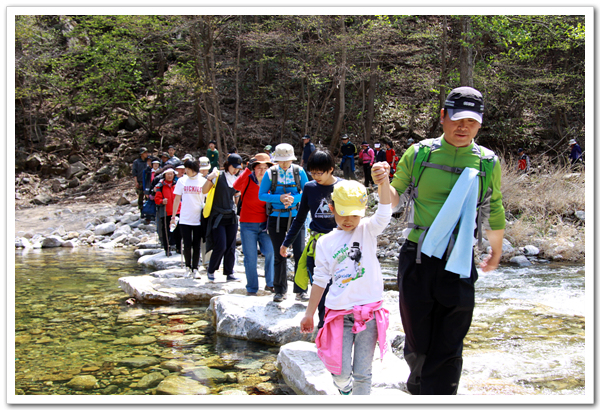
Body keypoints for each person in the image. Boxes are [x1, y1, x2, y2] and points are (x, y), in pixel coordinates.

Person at [373, 86, 505, 395]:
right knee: (418, 337)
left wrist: (495, 249)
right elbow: (394, 200)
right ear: (443, 117)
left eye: (471, 122)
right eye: (457, 119)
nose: (463, 127)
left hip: (459, 259)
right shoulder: (420, 154)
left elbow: (493, 207)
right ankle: (420, 386)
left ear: (481, 123)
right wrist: (382, 182)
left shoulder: (487, 162)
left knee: (451, 338)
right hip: (417, 256)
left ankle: (441, 395)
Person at [300, 176, 392, 396]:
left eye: (355, 214)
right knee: (339, 373)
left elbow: (385, 210)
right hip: (339, 314)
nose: (349, 220)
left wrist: (384, 181)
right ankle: (345, 389)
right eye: (343, 213)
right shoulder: (325, 242)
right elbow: (320, 280)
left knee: (363, 373)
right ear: (332, 208)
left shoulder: (367, 230)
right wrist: (309, 313)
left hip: (368, 313)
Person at [281, 150, 341, 320]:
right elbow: (299, 219)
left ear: (331, 169)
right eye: (312, 172)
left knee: (337, 287)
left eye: (319, 172)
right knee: (319, 286)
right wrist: (286, 243)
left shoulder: (343, 187)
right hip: (317, 245)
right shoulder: (310, 187)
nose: (315, 176)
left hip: (338, 243)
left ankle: (333, 323)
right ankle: (323, 324)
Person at [258, 143, 309, 303]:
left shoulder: (299, 172)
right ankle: (279, 290)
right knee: (279, 253)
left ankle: (301, 290)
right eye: (281, 160)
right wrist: (279, 198)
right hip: (275, 217)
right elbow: (262, 195)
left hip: (297, 217)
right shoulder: (270, 173)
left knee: (300, 253)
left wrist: (294, 198)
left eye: (287, 160)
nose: (285, 163)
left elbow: (307, 191)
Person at [234, 153, 276, 296]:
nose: (262, 171)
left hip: (265, 224)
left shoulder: (271, 182)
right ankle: (252, 288)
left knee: (270, 251)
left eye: (265, 168)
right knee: (250, 257)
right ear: (253, 168)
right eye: (259, 167)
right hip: (247, 224)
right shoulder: (248, 179)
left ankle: (270, 284)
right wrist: (247, 169)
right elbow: (235, 186)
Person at [202, 153, 243, 282]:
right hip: (217, 216)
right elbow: (204, 191)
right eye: (234, 167)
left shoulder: (236, 179)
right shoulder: (217, 175)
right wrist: (209, 179)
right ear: (228, 165)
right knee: (221, 245)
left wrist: (239, 214)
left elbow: (236, 197)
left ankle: (229, 272)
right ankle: (211, 270)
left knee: (231, 246)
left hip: (231, 216)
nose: (236, 170)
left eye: (238, 168)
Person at [171, 160, 206, 277]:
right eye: (185, 169)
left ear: (194, 169)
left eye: (188, 169)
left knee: (196, 244)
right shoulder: (181, 181)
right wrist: (173, 216)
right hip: (184, 217)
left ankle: (195, 268)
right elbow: (177, 199)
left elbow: (208, 199)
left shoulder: (203, 181)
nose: (186, 171)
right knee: (186, 243)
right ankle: (187, 267)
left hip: (198, 217)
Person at [154, 168, 181, 257]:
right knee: (166, 231)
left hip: (177, 210)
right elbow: (157, 199)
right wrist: (162, 201)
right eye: (168, 174)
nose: (170, 176)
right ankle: (167, 249)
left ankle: (179, 247)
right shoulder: (160, 186)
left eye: (171, 174)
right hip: (166, 212)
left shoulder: (177, 184)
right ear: (165, 175)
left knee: (178, 231)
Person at [198, 156, 212, 269]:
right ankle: (196, 259)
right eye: (202, 169)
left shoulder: (212, 178)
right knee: (197, 236)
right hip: (195, 211)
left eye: (205, 169)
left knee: (207, 236)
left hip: (208, 211)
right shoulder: (193, 179)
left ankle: (207, 260)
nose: (204, 171)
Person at [132, 147, 149, 215]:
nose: (146, 154)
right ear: (141, 154)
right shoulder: (137, 162)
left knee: (148, 196)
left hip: (147, 181)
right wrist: (136, 182)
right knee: (140, 196)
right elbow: (134, 173)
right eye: (145, 153)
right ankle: (141, 210)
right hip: (140, 181)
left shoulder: (148, 161)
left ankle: (148, 211)